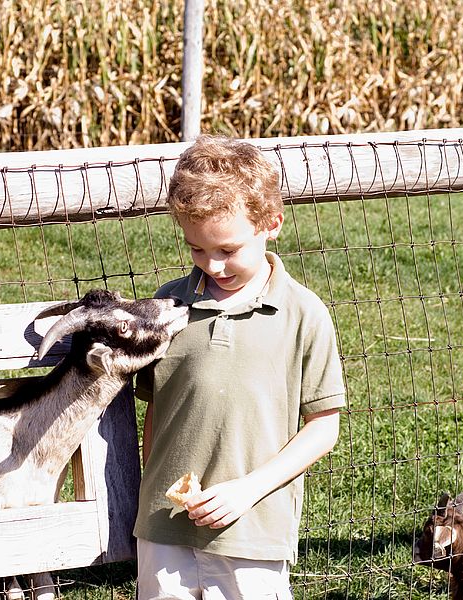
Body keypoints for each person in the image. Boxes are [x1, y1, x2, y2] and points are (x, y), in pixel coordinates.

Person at [132, 134, 346, 599]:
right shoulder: (168, 308)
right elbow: (157, 412)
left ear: (271, 224)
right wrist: (151, 493)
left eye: (228, 250)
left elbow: (322, 429)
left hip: (253, 529)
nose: (212, 265)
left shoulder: (302, 315)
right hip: (164, 528)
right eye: (196, 249)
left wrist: (247, 490)